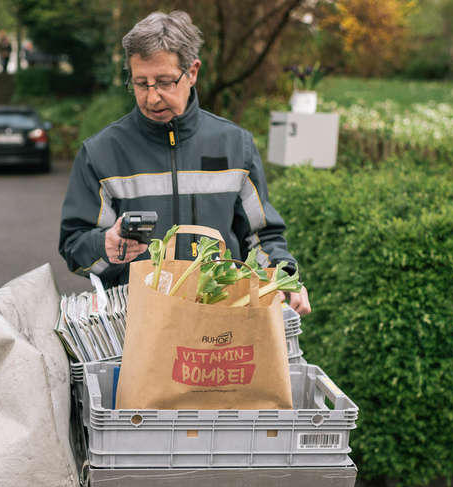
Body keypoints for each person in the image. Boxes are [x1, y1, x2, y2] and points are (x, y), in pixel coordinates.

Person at [59, 10, 311, 316]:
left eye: (164, 82)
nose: (152, 98)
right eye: (141, 84)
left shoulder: (235, 146)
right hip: (136, 327)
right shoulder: (101, 153)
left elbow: (260, 237)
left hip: (222, 322)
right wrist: (105, 246)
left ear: (192, 72)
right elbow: (75, 249)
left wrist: (282, 280)